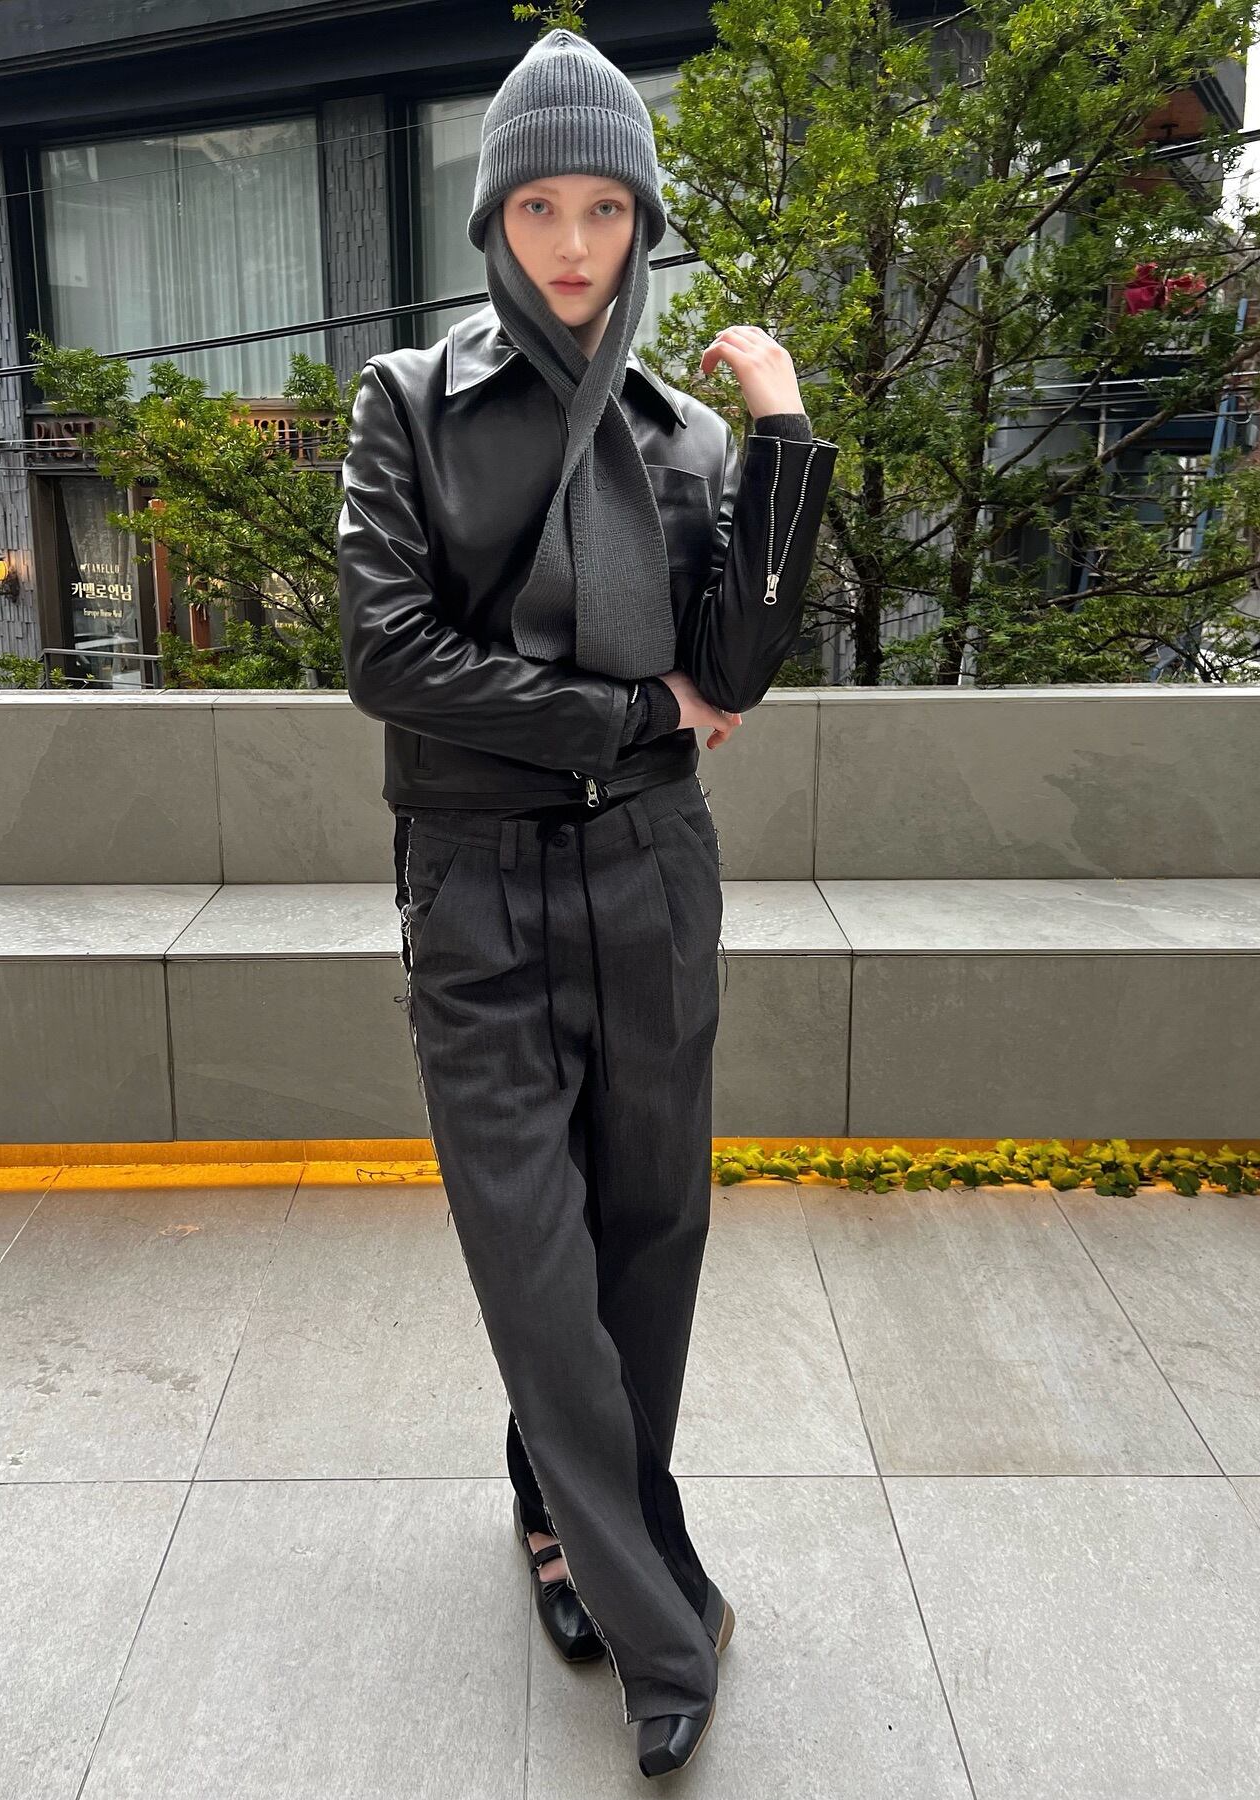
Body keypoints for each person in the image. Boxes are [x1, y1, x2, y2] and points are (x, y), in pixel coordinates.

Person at [336, 27, 836, 1778]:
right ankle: (664, 1623)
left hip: (650, 874)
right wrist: (623, 714)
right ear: (494, 218)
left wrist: (781, 433)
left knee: (649, 1242)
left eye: (604, 208)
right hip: (474, 882)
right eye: (538, 206)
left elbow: (737, 673)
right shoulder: (407, 402)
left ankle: (560, 1512)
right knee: (537, 1275)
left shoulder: (684, 434)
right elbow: (388, 657)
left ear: (640, 221)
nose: (570, 242)